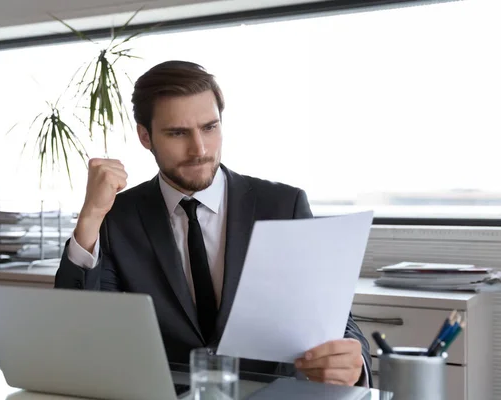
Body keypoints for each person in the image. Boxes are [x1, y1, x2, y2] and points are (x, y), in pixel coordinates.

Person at [55, 60, 372, 387]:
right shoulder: (117, 216)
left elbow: (333, 323)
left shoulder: (283, 205)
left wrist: (354, 363)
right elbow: (80, 329)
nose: (200, 150)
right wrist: (91, 216)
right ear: (145, 137)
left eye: (210, 127)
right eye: (178, 133)